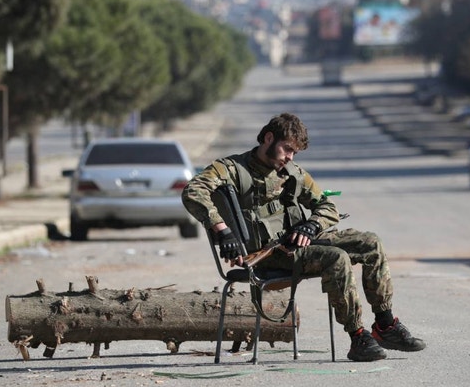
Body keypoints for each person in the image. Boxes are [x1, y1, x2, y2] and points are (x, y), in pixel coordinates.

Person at [182, 112, 426, 362]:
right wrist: (222, 229)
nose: (289, 157)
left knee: (370, 243)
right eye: (287, 149)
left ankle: (385, 325)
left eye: (294, 153)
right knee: (336, 258)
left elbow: (327, 206)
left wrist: (311, 225)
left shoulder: (292, 172)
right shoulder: (232, 169)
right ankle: (358, 337)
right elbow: (193, 190)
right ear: (268, 138)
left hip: (297, 245)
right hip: (267, 257)